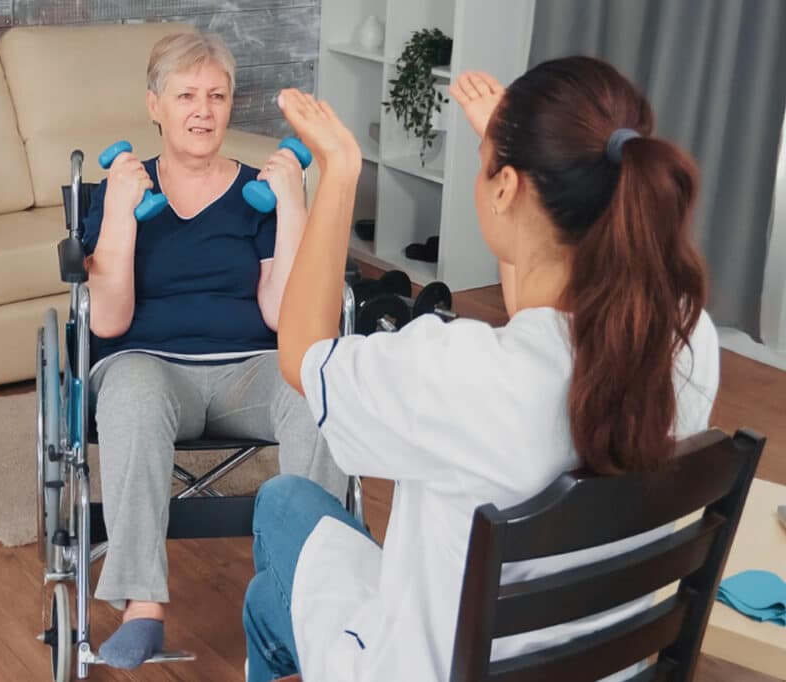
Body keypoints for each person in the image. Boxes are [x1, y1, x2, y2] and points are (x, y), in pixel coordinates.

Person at [242, 57, 720, 681]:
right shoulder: (686, 335)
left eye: (485, 163)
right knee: (280, 589)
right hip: (603, 664)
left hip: (434, 668)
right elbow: (540, 314)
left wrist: (339, 174)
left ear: (507, 189)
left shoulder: (459, 370)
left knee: (282, 512)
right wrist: (517, 145)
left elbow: (303, 353)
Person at [81, 30, 346, 669]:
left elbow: (284, 316)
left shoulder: (260, 192)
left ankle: (317, 598)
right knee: (135, 393)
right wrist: (117, 212)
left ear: (232, 106)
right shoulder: (118, 191)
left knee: (318, 384)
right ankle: (142, 609)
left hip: (248, 371)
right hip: (148, 365)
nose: (203, 110)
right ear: (155, 106)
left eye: (217, 95)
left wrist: (291, 208)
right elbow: (110, 322)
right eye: (186, 95)